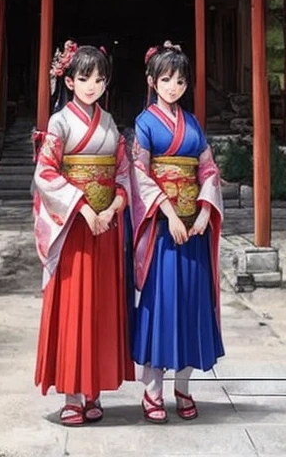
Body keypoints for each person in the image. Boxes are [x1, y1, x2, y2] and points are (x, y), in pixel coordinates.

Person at [32, 41, 134, 426]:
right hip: (75, 227)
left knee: (101, 307)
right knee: (76, 305)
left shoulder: (109, 124)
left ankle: (93, 391)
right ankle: (73, 394)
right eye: (84, 77)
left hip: (104, 226)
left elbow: (121, 172)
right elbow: (46, 173)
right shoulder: (59, 123)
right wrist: (85, 207)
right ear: (69, 81)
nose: (93, 85)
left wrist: (114, 205)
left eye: (100, 78)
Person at [125, 40, 225, 424]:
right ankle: (153, 391)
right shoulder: (145, 123)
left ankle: (183, 386)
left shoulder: (194, 123)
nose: (173, 87)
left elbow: (208, 170)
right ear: (152, 80)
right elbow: (140, 173)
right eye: (166, 79)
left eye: (180, 80)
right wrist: (169, 213)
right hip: (164, 231)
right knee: (162, 304)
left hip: (193, 231)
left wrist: (203, 212)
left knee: (191, 304)